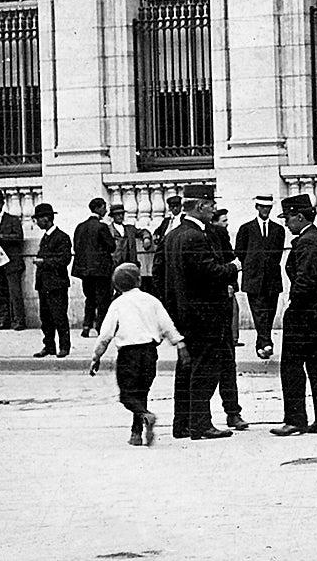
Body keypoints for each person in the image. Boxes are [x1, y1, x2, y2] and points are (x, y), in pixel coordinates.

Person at [162, 184, 239, 440]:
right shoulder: (195, 236)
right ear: (201, 206)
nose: (214, 209)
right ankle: (200, 423)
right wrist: (232, 267)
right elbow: (208, 272)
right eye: (212, 205)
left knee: (186, 369)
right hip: (204, 315)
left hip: (184, 315)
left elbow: (161, 275)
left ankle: (182, 423)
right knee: (205, 370)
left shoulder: (173, 235)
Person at [88, 263, 184, 446]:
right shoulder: (152, 301)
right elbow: (167, 324)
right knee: (142, 392)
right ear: (138, 280)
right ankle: (136, 432)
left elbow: (105, 335)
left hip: (128, 354)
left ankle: (145, 416)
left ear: (116, 286)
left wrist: (96, 357)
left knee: (127, 395)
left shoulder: (117, 304)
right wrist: (179, 343)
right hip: (149, 352)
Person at [271, 194, 317, 436]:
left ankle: (295, 419)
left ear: (299, 216)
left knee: (291, 366)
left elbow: (306, 279)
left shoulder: (307, 242)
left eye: (288, 218)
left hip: (304, 313)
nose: (286, 223)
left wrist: (294, 307)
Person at [206, 207, 250, 431]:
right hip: (200, 313)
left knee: (226, 364)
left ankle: (233, 412)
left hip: (221, 307)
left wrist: (231, 285)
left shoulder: (218, 234)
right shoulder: (181, 233)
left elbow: (232, 262)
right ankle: (196, 419)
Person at [234, 194, 286, 360]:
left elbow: (277, 253)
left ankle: (262, 342)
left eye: (268, 207)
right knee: (258, 312)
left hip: (272, 278)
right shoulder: (246, 229)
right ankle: (265, 342)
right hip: (253, 278)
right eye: (263, 207)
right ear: (257, 207)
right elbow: (240, 252)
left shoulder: (279, 230)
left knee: (270, 312)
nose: (265, 210)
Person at [31, 203, 71, 358]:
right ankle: (49, 346)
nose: (37, 222)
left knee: (59, 317)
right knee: (45, 318)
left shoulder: (62, 237)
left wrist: (43, 262)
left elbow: (64, 259)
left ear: (46, 218)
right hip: (44, 284)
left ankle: (64, 347)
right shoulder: (46, 237)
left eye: (39, 219)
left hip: (57, 284)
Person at [72, 198, 116, 339]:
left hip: (85, 270)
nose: (105, 210)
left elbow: (76, 247)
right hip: (100, 270)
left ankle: (86, 326)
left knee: (89, 298)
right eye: (104, 207)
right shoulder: (101, 227)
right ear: (98, 208)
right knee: (102, 299)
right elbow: (111, 246)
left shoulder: (80, 227)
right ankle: (100, 327)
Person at [0, 190, 24, 329]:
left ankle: (19, 320)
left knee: (15, 293)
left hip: (12, 261)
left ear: (3, 203)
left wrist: (1, 236)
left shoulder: (13, 219)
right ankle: (3, 320)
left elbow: (19, 237)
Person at [147, 194, 184, 303]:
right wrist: (156, 236)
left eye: (177, 206)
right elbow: (158, 231)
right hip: (165, 251)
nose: (175, 209)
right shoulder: (167, 221)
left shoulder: (183, 219)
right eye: (172, 207)